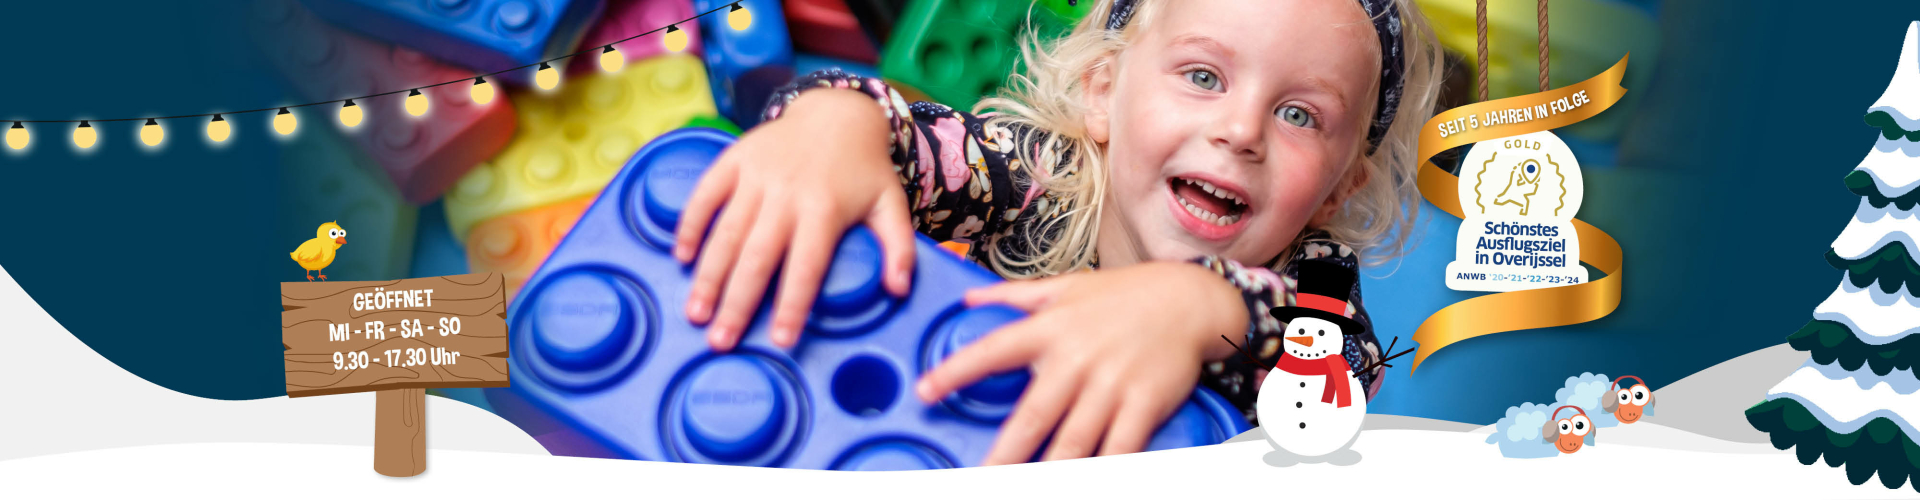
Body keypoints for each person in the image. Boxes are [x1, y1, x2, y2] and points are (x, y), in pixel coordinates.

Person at [672, 0, 1442, 465]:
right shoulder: (1047, 178)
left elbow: (1340, 370)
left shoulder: (1318, 286)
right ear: (1103, 93)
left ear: (1340, 187)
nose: (1241, 130)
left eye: (1300, 114)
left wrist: (1201, 307)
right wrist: (835, 118)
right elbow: (913, 144)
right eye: (1203, 77)